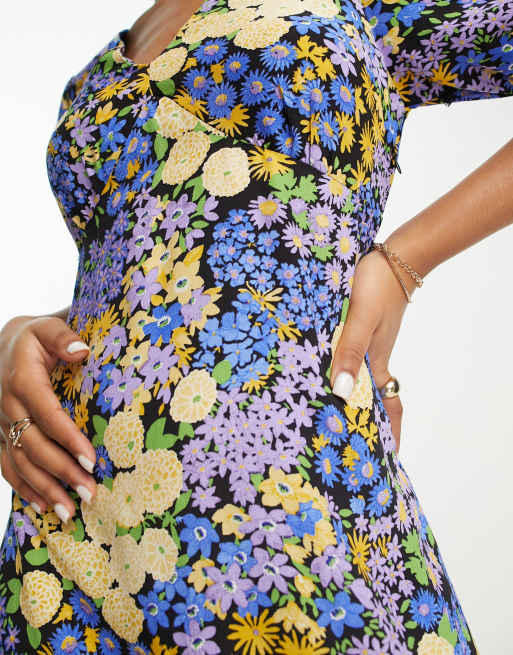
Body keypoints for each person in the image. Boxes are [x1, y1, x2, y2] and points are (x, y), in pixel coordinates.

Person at [0, 0, 511, 652]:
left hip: (266, 492)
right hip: (67, 535)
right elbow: (161, 265)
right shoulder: (94, 76)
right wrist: (22, 336)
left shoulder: (369, 8)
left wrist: (403, 262)